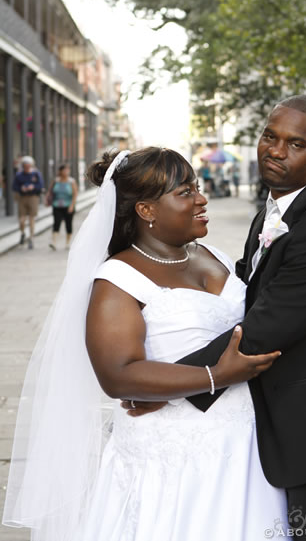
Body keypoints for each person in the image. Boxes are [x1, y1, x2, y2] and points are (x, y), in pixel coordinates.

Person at [126, 96, 306, 539]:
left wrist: (167, 384)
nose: (276, 150)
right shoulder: (277, 208)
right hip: (294, 424)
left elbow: (263, 328)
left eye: (296, 143)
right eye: (270, 136)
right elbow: (249, 287)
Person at [3, 147, 287, 541]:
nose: (201, 199)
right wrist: (214, 375)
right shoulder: (117, 280)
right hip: (173, 459)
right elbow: (119, 375)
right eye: (185, 192)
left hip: (245, 448)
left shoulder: (212, 254)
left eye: (198, 188)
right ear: (146, 211)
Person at [12, 155, 44, 249]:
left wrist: (33, 187)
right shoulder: (19, 175)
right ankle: (22, 233)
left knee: (31, 219)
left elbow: (40, 185)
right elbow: (14, 186)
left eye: (28, 165)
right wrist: (21, 188)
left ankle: (31, 237)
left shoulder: (36, 174)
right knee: (22, 220)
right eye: (25, 165)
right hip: (22, 198)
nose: (27, 167)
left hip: (33, 197)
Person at [46, 163, 78, 250]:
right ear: (60, 171)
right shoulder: (56, 180)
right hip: (57, 205)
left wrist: (72, 205)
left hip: (68, 205)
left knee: (68, 224)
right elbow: (50, 191)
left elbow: (75, 194)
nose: (67, 171)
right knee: (56, 223)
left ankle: (67, 243)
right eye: (65, 170)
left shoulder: (71, 181)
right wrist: (47, 199)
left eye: (68, 170)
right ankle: (54, 242)